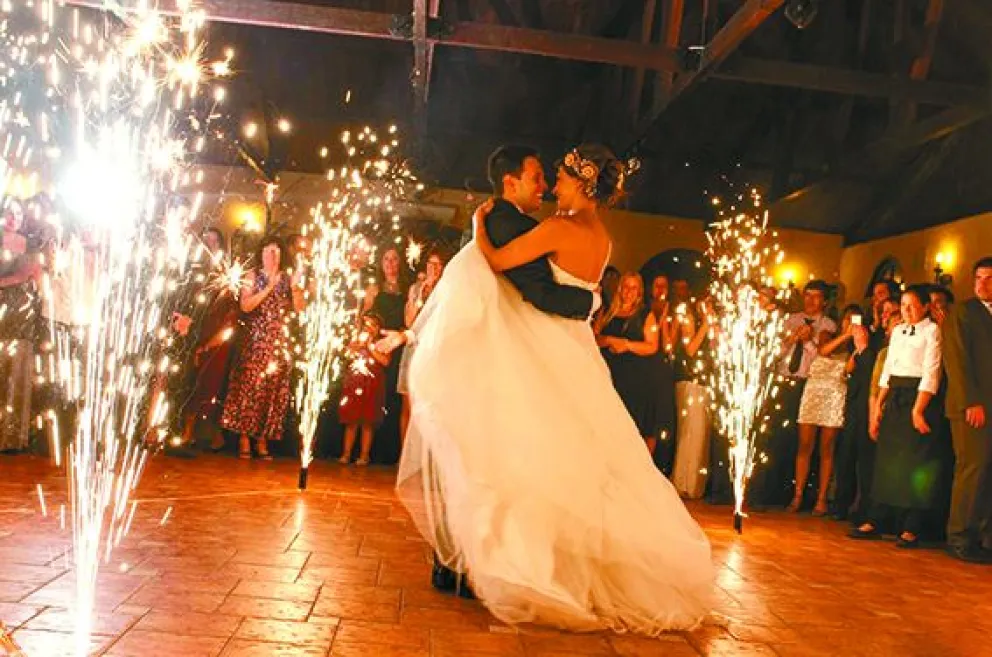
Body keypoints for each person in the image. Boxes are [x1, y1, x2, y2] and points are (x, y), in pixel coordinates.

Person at [391, 144, 713, 636]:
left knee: (533, 448)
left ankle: (523, 563)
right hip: (577, 349)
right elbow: (585, 296)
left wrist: (477, 227)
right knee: (586, 450)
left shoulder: (558, 228)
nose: (553, 185)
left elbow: (499, 261)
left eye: (559, 178)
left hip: (542, 343)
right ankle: (569, 560)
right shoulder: (601, 237)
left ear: (583, 185)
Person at [378, 145, 601, 595]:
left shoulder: (506, 220)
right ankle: (461, 565)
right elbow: (540, 292)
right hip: (488, 365)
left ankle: (460, 565)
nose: (544, 184)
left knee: (483, 466)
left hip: (487, 360)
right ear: (511, 182)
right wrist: (593, 301)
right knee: (485, 466)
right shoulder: (504, 221)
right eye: (537, 176)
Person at [942, 257, 992, 563]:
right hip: (971, 407)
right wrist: (970, 401)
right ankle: (960, 536)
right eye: (979, 278)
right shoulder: (964, 312)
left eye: (990, 278)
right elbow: (957, 361)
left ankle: (983, 535)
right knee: (972, 469)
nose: (983, 284)